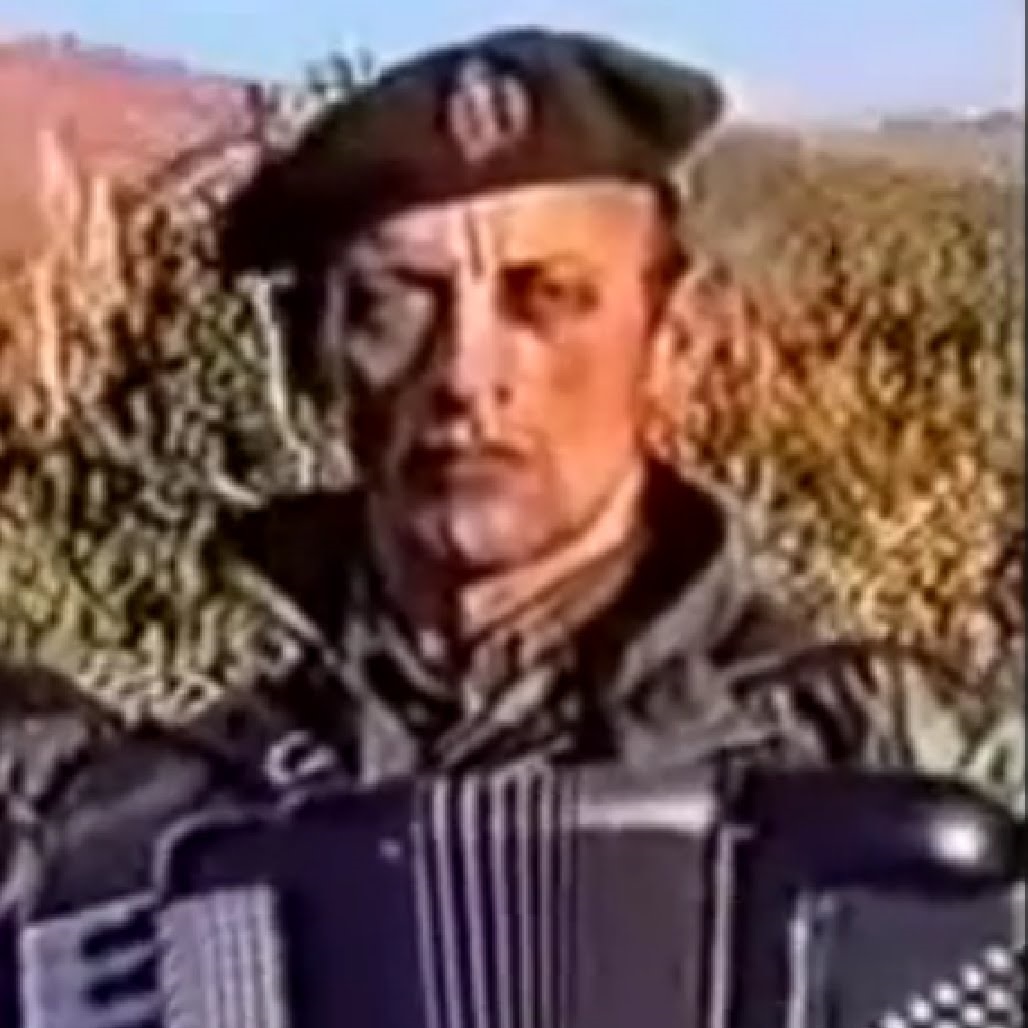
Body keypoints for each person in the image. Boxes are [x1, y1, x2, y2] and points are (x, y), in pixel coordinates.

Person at [0, 27, 997, 918]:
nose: (466, 374)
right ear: (315, 357)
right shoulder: (170, 830)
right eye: (397, 302)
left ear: (673, 343)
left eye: (549, 297)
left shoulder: (883, 758)